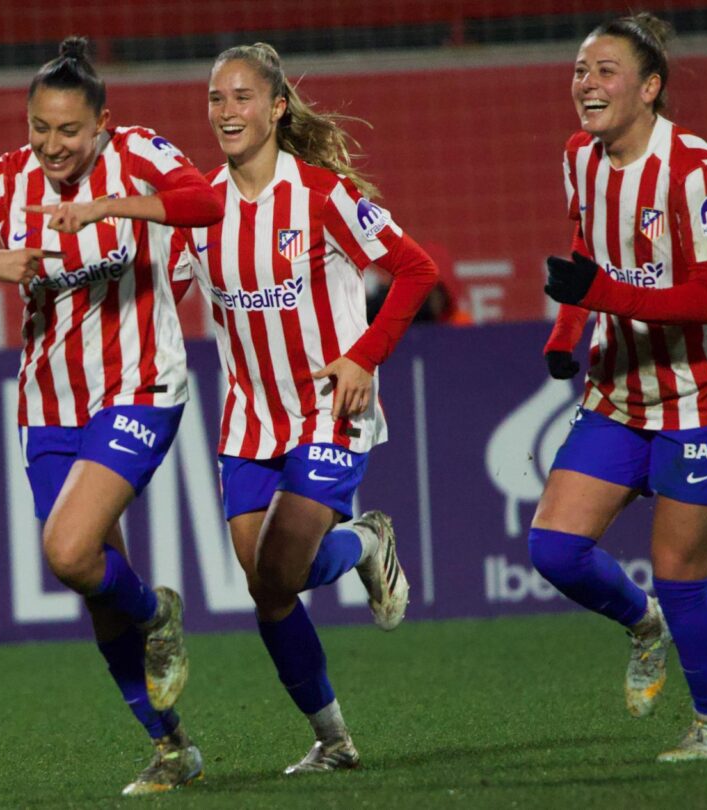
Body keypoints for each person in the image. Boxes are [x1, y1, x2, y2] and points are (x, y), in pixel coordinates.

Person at [0, 36, 223, 796]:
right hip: (48, 405)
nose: (52, 145)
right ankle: (171, 746)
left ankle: (158, 614)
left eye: (69, 131)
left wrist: (109, 204)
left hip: (141, 386)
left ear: (102, 124)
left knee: (69, 552)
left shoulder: (139, 151)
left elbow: (205, 203)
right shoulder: (3, 183)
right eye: (39, 128)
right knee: (88, 576)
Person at [178, 43, 437, 773]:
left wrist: (364, 356)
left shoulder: (322, 196)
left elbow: (417, 270)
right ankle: (333, 739)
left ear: (277, 108)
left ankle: (364, 541)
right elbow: (163, 295)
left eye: (242, 98)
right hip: (248, 420)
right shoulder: (199, 207)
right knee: (267, 591)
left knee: (282, 570)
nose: (227, 112)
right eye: (216, 99)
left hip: (328, 410)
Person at [533, 13, 707, 762]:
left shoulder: (694, 170)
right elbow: (585, 253)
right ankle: (642, 623)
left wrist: (604, 295)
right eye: (579, 70)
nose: (586, 84)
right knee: (556, 549)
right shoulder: (580, 157)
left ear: (650, 87)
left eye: (604, 71)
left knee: (682, 576)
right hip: (623, 389)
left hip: (706, 396)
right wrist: (567, 333)